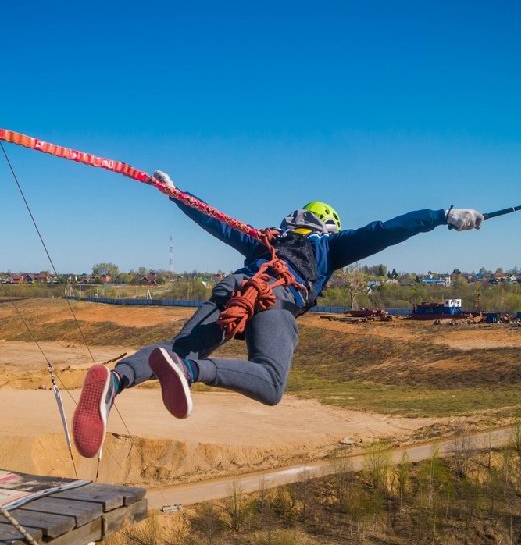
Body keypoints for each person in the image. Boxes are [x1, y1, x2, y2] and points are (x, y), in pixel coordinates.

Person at [71, 171, 484, 458]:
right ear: (326, 226)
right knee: (269, 382)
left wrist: (175, 193)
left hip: (235, 288)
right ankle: (192, 374)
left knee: (181, 349)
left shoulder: (262, 241)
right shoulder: (329, 247)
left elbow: (215, 221)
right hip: (276, 298)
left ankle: (116, 379)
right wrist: (442, 217)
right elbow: (385, 230)